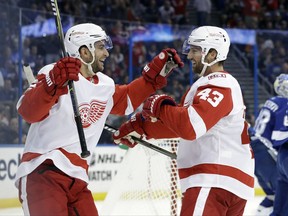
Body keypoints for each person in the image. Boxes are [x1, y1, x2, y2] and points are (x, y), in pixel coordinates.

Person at [15, 23, 183, 216]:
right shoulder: (53, 72)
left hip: (77, 179)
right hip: (43, 171)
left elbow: (126, 99)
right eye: (101, 47)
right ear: (84, 51)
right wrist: (52, 83)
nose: (107, 53)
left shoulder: (104, 84)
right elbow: (27, 111)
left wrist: (153, 77)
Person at [113, 26, 255, 216]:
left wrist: (160, 107)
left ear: (212, 54)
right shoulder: (211, 86)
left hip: (214, 180)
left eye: (195, 50)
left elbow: (188, 127)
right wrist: (139, 128)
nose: (189, 56)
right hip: (225, 181)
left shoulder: (220, 85)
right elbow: (178, 127)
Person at [251, 73, 288, 216]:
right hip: (268, 149)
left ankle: (260, 212)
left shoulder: (270, 101)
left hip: (255, 147)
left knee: (276, 195)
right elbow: (279, 133)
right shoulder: (283, 103)